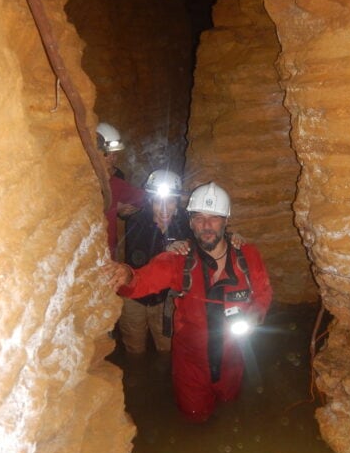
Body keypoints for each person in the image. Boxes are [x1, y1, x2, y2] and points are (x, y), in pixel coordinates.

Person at [106, 182, 273, 422]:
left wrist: (255, 316)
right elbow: (141, 282)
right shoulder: (179, 259)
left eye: (214, 218)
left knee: (230, 407)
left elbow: (263, 293)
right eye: (199, 218)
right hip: (191, 363)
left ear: (226, 220)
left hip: (232, 358)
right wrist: (127, 275)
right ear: (190, 222)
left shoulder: (247, 256)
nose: (206, 225)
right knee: (194, 417)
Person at [119, 169, 192, 354]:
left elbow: (206, 244)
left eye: (170, 201)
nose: (165, 208)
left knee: (167, 349)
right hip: (135, 297)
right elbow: (138, 259)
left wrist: (231, 237)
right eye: (159, 201)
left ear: (177, 203)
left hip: (166, 299)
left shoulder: (186, 224)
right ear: (151, 201)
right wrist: (165, 251)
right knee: (134, 349)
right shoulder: (137, 221)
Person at [96, 122, 145, 259]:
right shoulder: (80, 185)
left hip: (108, 255)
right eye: (107, 154)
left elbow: (143, 198)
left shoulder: (115, 182)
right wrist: (112, 208)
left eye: (115, 154)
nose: (112, 159)